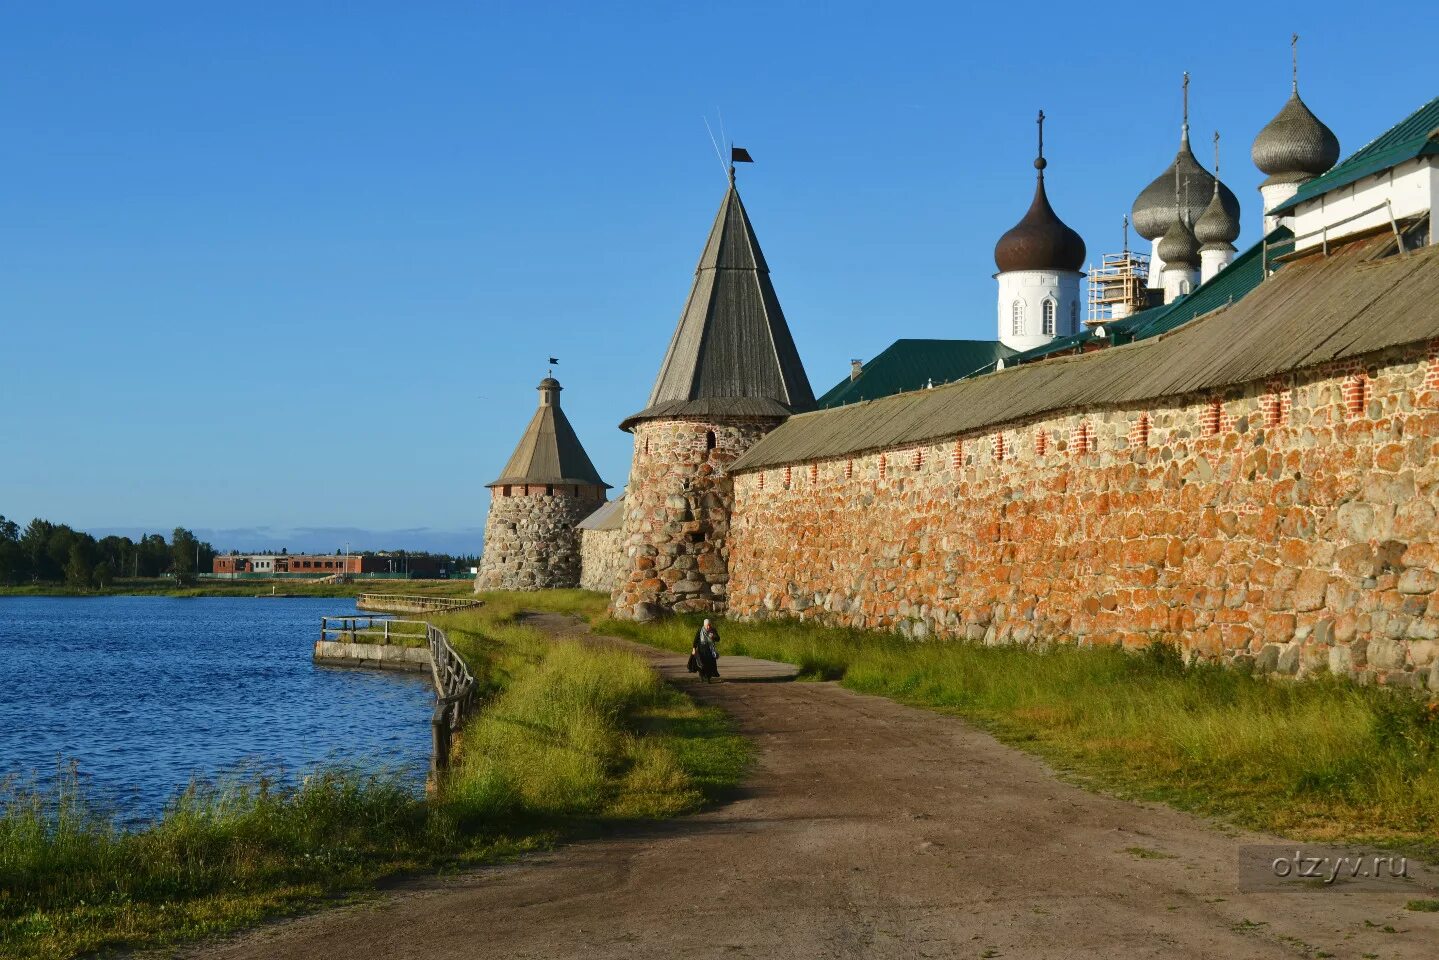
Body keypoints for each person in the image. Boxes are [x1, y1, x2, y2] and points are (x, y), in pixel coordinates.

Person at [692, 618, 721, 682]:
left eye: (709, 625)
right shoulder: (700, 630)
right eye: (707, 625)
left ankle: (708, 678)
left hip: (710, 649)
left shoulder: (713, 630)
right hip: (701, 649)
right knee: (701, 664)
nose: (708, 627)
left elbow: (718, 639)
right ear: (704, 625)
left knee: (710, 664)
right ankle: (701, 676)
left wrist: (713, 637)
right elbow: (695, 640)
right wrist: (694, 649)